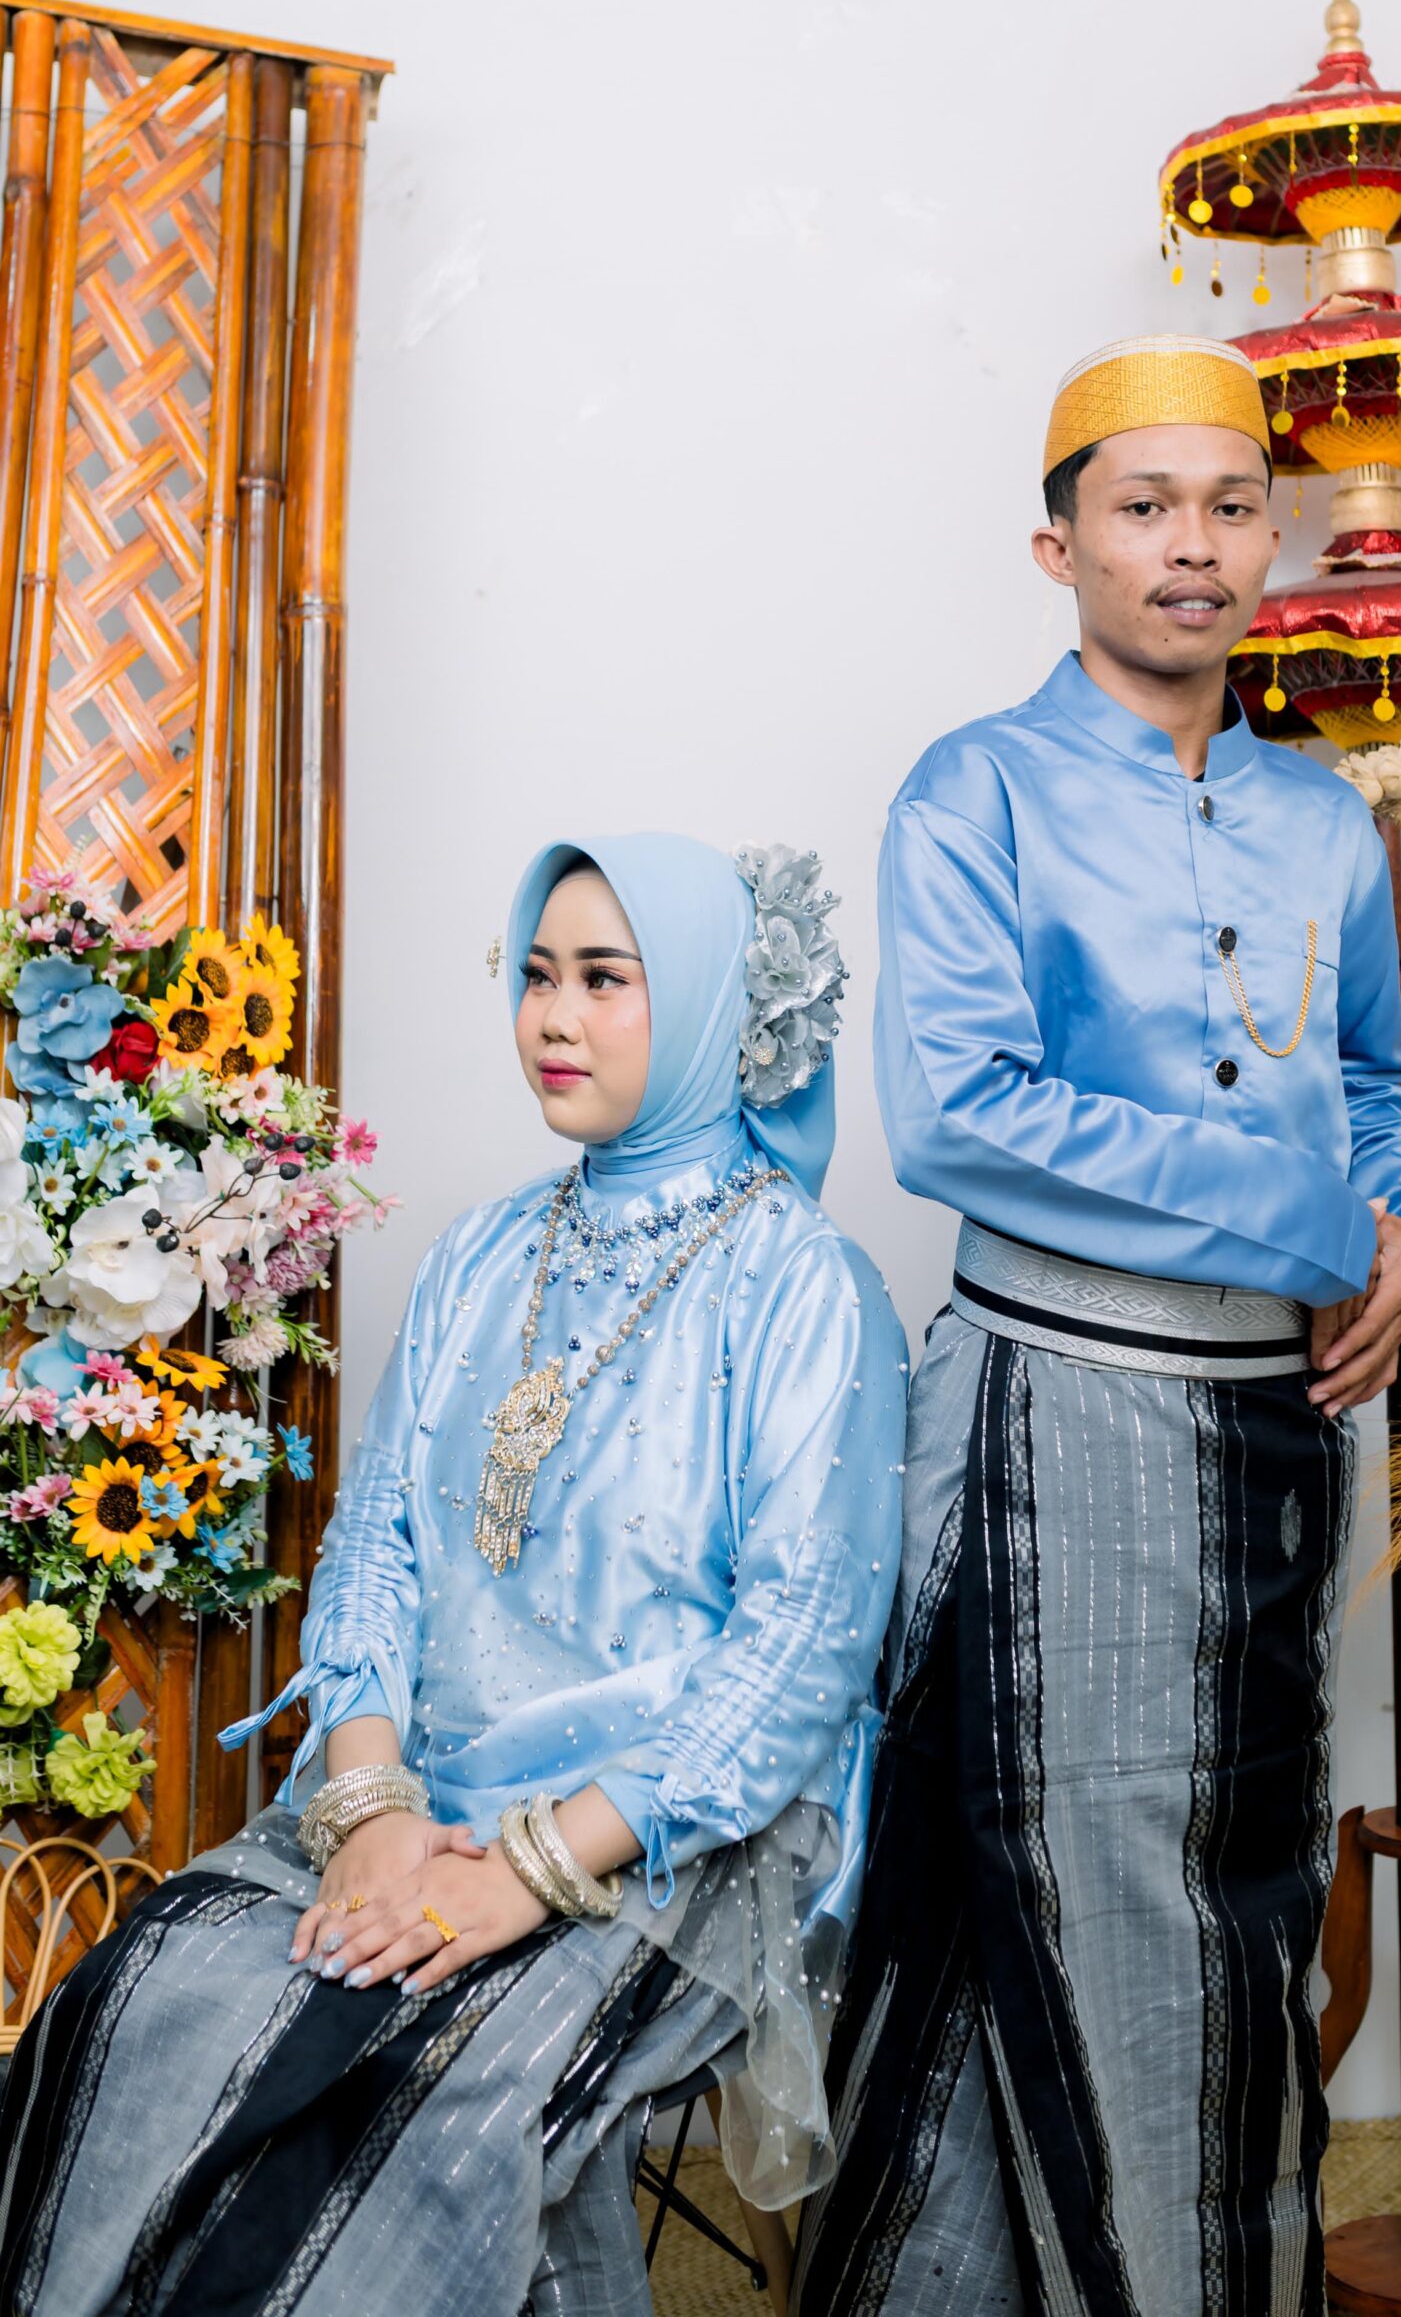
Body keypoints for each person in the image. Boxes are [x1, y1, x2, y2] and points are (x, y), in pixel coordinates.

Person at [793, 336, 1401, 2317]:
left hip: (1279, 1430)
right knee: (1062, 1900)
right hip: (1058, 1419)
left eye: (1231, 506)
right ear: (1060, 546)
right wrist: (1320, 1222)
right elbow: (960, 1113)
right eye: (1144, 506)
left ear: (1271, 538)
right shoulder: (976, 792)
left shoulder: (1317, 820)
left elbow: (1369, 1088)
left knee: (1234, 1907)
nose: (1194, 546)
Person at [0, 830, 906, 2317]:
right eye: (539, 975)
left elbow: (798, 1654)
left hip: (666, 1835)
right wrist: (370, 1808)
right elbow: (376, 1546)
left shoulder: (805, 1286)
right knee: (147, 1996)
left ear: (710, 1005)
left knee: (432, 2090)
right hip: (424, 1791)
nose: (553, 1018)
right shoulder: (483, 1255)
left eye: (605, 979)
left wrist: (529, 1873)